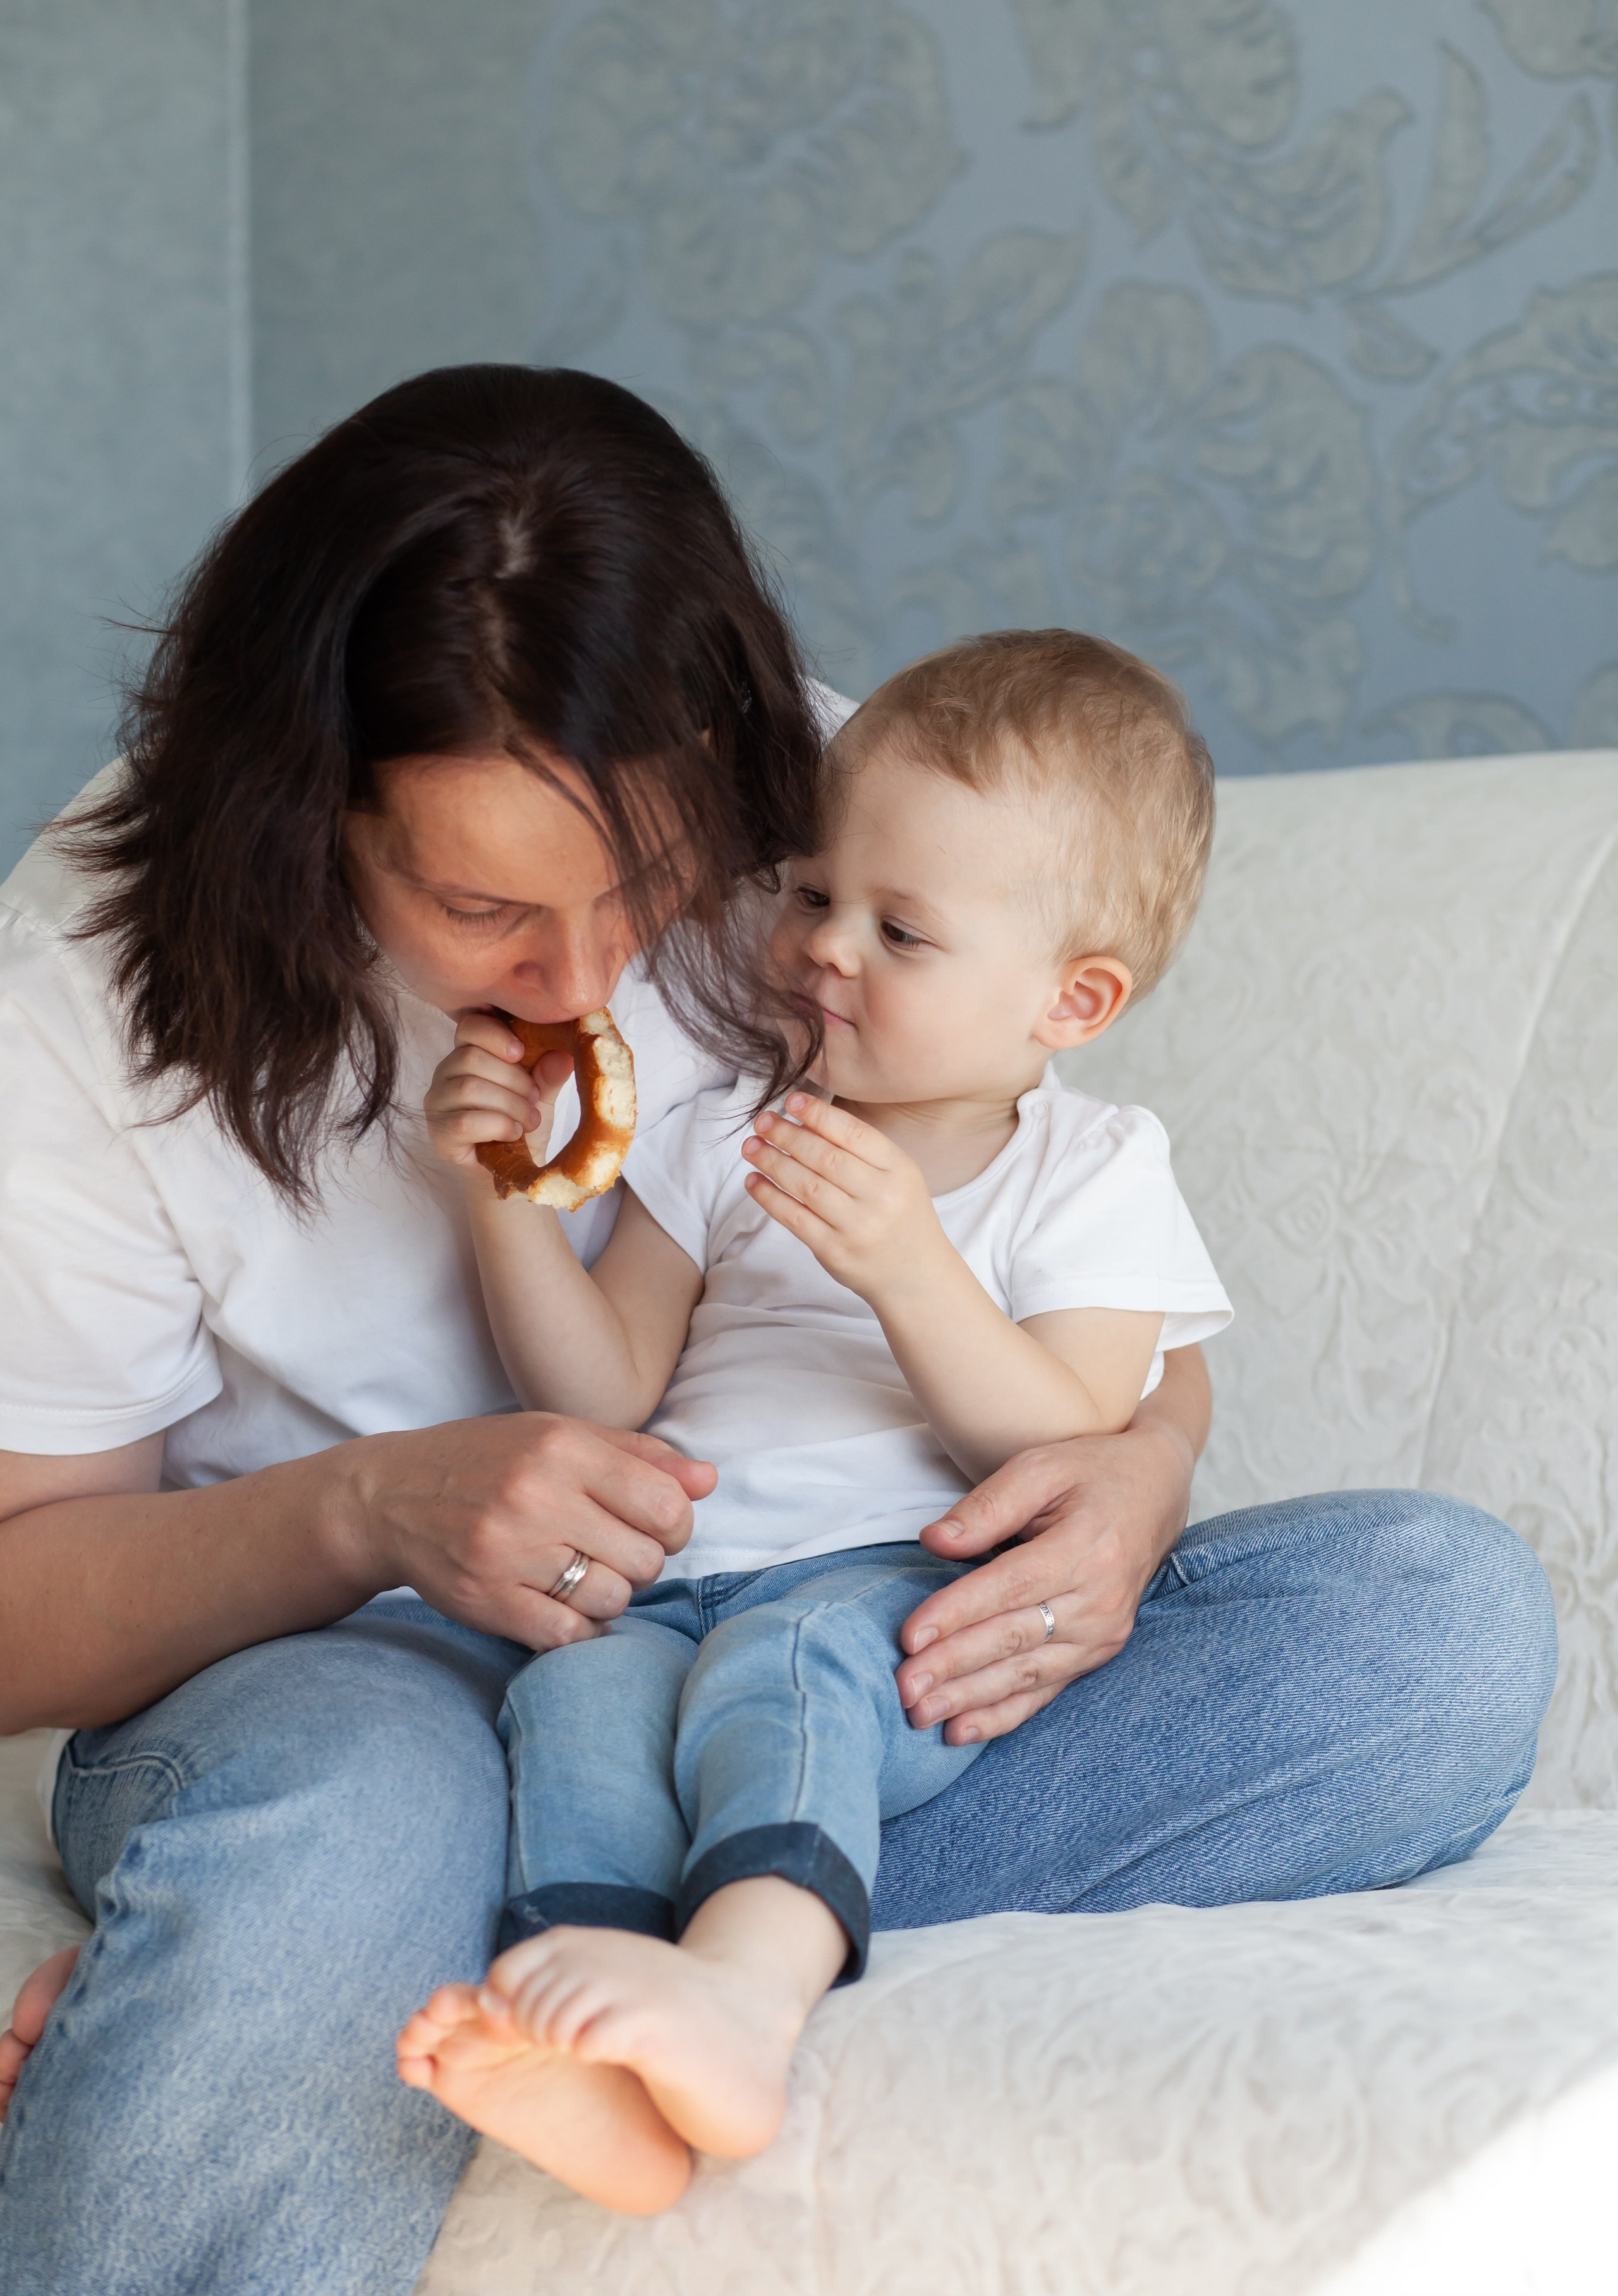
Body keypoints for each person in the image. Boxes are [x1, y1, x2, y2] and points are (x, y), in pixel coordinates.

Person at [0, 367, 1555, 2296]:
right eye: (484, 904)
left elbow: (1089, 1282)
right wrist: (372, 1514)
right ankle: (345, 1919)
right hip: (356, 1679)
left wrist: (1130, 1484)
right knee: (354, 1815)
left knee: (1429, 1620)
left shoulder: (844, 838)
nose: (589, 977)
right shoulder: (77, 1001)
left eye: (653, 885)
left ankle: (432, 1957)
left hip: (823, 1632)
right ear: (297, 807)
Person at [398, 633, 1234, 2211]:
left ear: (1073, 997)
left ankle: (743, 1995)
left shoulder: (1093, 1169)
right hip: (670, 1581)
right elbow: (602, 1388)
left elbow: (1061, 1443)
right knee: (573, 1704)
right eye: (808, 894)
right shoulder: (731, 1128)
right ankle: (594, 2048)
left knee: (783, 1671)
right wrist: (503, 1197)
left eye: (899, 930)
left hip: (887, 1588)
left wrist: (913, 1268)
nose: (823, 949)